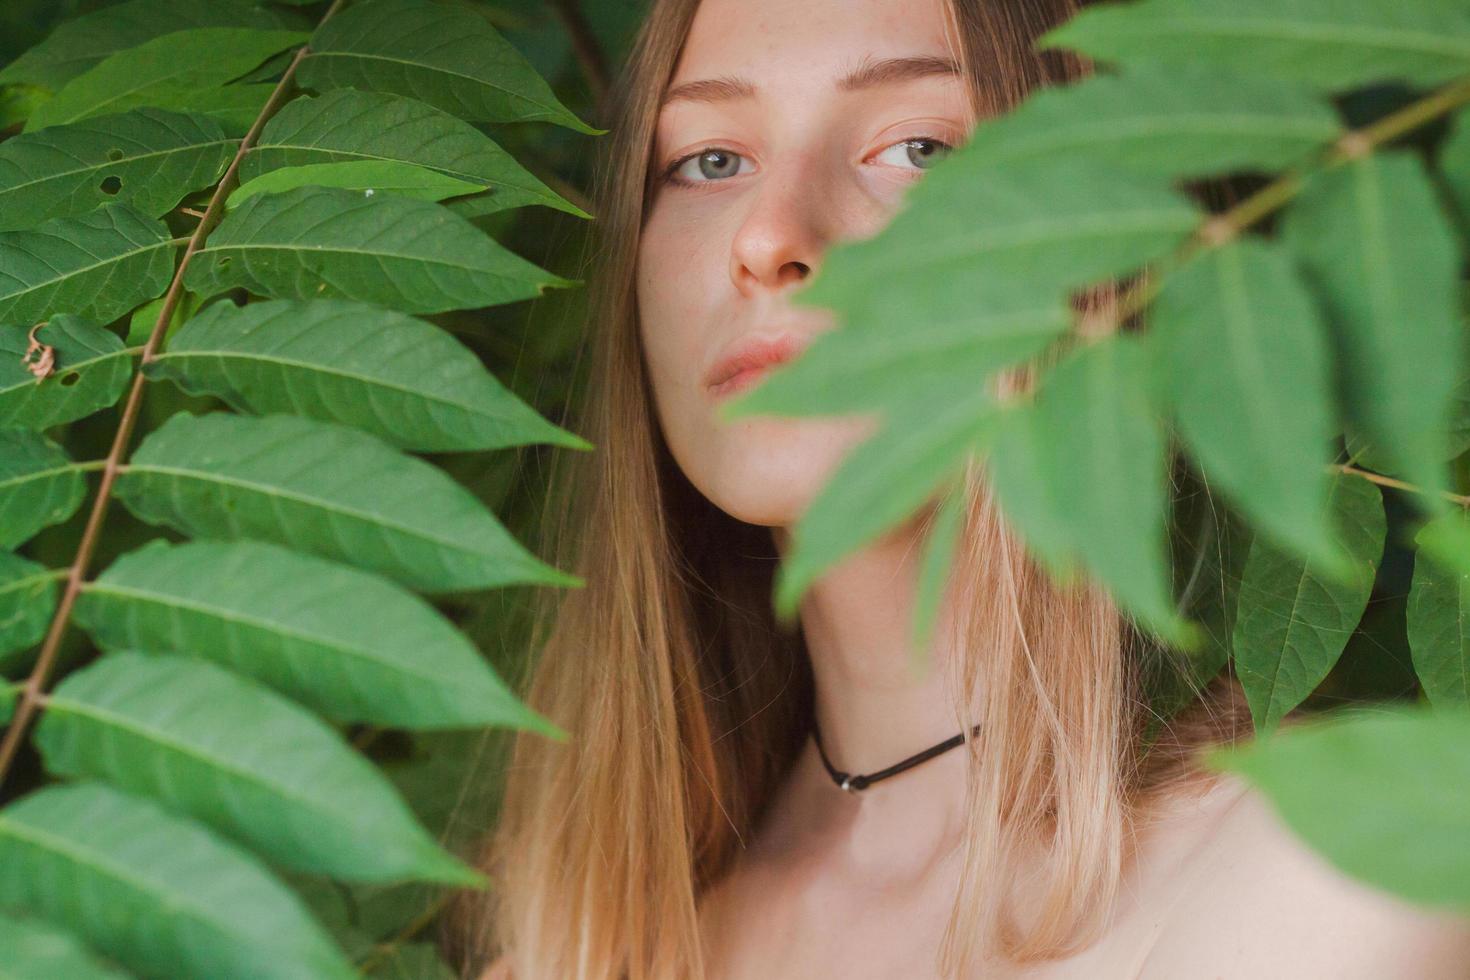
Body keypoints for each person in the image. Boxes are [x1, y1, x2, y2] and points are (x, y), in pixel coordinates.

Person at [456, 0, 1470, 976]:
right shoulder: (585, 941)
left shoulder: (1336, 871)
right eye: (709, 159)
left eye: (918, 148)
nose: (768, 240)